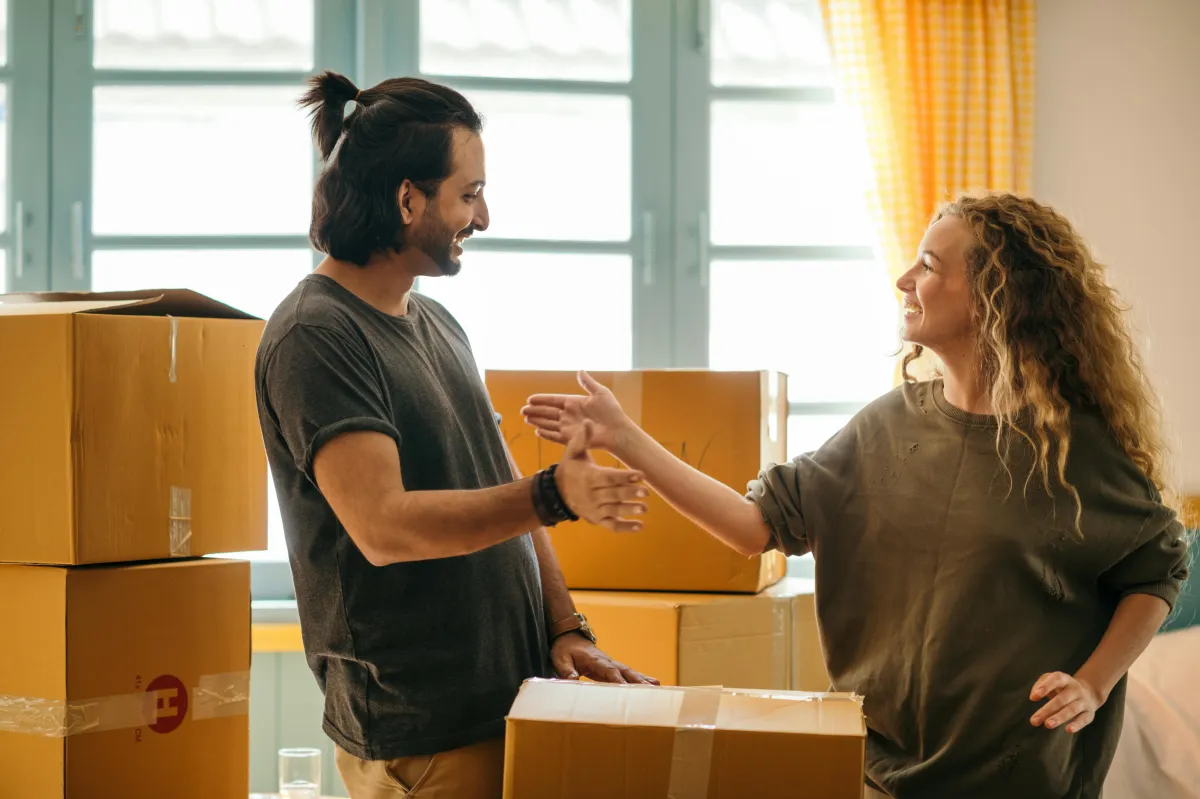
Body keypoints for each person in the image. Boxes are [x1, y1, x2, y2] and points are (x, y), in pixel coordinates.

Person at [521, 193, 1191, 799]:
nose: (905, 279)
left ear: (993, 295)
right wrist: (622, 434)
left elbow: (1157, 566)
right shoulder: (885, 428)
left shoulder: (1070, 450)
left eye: (928, 265)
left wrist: (1094, 683)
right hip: (881, 776)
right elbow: (753, 527)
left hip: (1022, 779)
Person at [254, 71, 656, 799]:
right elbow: (383, 526)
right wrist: (553, 493)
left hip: (504, 707)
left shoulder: (436, 322)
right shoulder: (317, 335)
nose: (486, 216)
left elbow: (507, 492)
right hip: (422, 735)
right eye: (468, 195)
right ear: (408, 199)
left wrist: (567, 627)